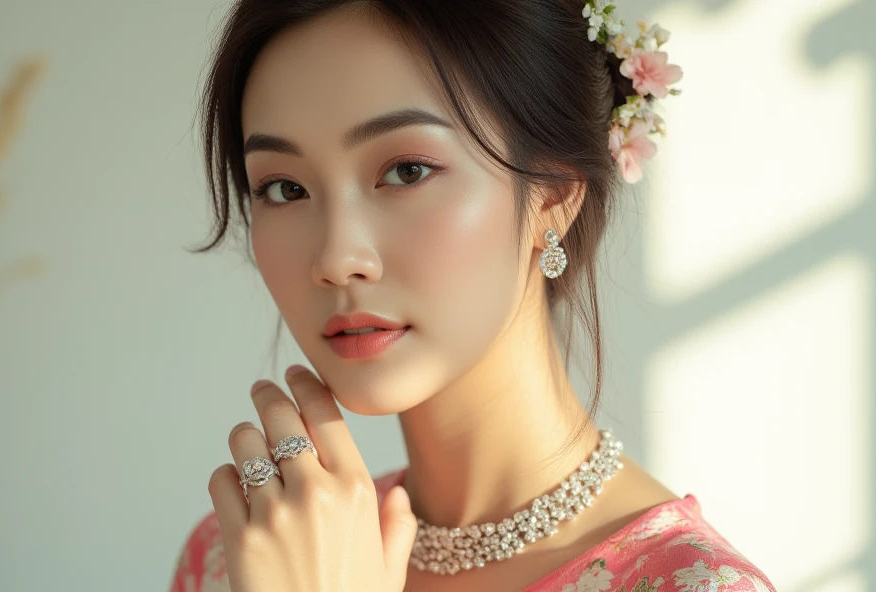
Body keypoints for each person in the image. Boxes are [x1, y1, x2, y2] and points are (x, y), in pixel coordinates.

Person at [171, 0, 775, 590]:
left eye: (406, 171)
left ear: (554, 196)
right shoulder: (242, 555)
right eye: (283, 187)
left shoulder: (695, 585)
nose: (335, 259)